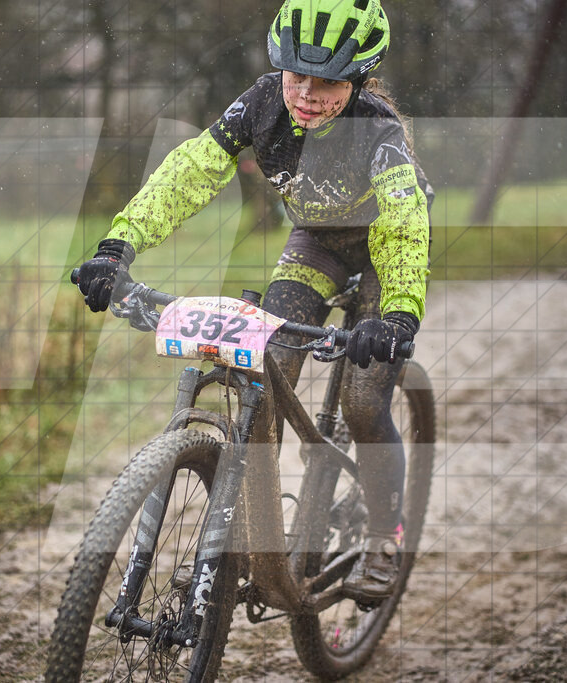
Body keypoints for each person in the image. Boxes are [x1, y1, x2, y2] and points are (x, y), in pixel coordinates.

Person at [76, 0, 431, 601]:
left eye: (327, 83)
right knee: (264, 371)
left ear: (360, 79)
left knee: (365, 398)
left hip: (380, 253)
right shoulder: (263, 103)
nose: (307, 94)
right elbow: (192, 171)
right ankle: (251, 535)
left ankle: (384, 533)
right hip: (315, 242)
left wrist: (397, 312)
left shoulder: (381, 132)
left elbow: (401, 221)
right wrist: (118, 246)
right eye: (297, 76)